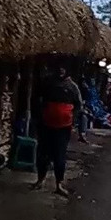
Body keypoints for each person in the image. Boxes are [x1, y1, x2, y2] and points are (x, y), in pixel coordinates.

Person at [32, 65, 80, 197]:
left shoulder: (72, 87)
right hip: (46, 124)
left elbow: (78, 105)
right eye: (59, 68)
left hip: (64, 127)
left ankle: (59, 183)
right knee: (43, 154)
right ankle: (40, 179)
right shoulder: (47, 83)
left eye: (64, 69)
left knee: (60, 155)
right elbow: (37, 99)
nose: (61, 71)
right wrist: (40, 115)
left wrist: (72, 119)